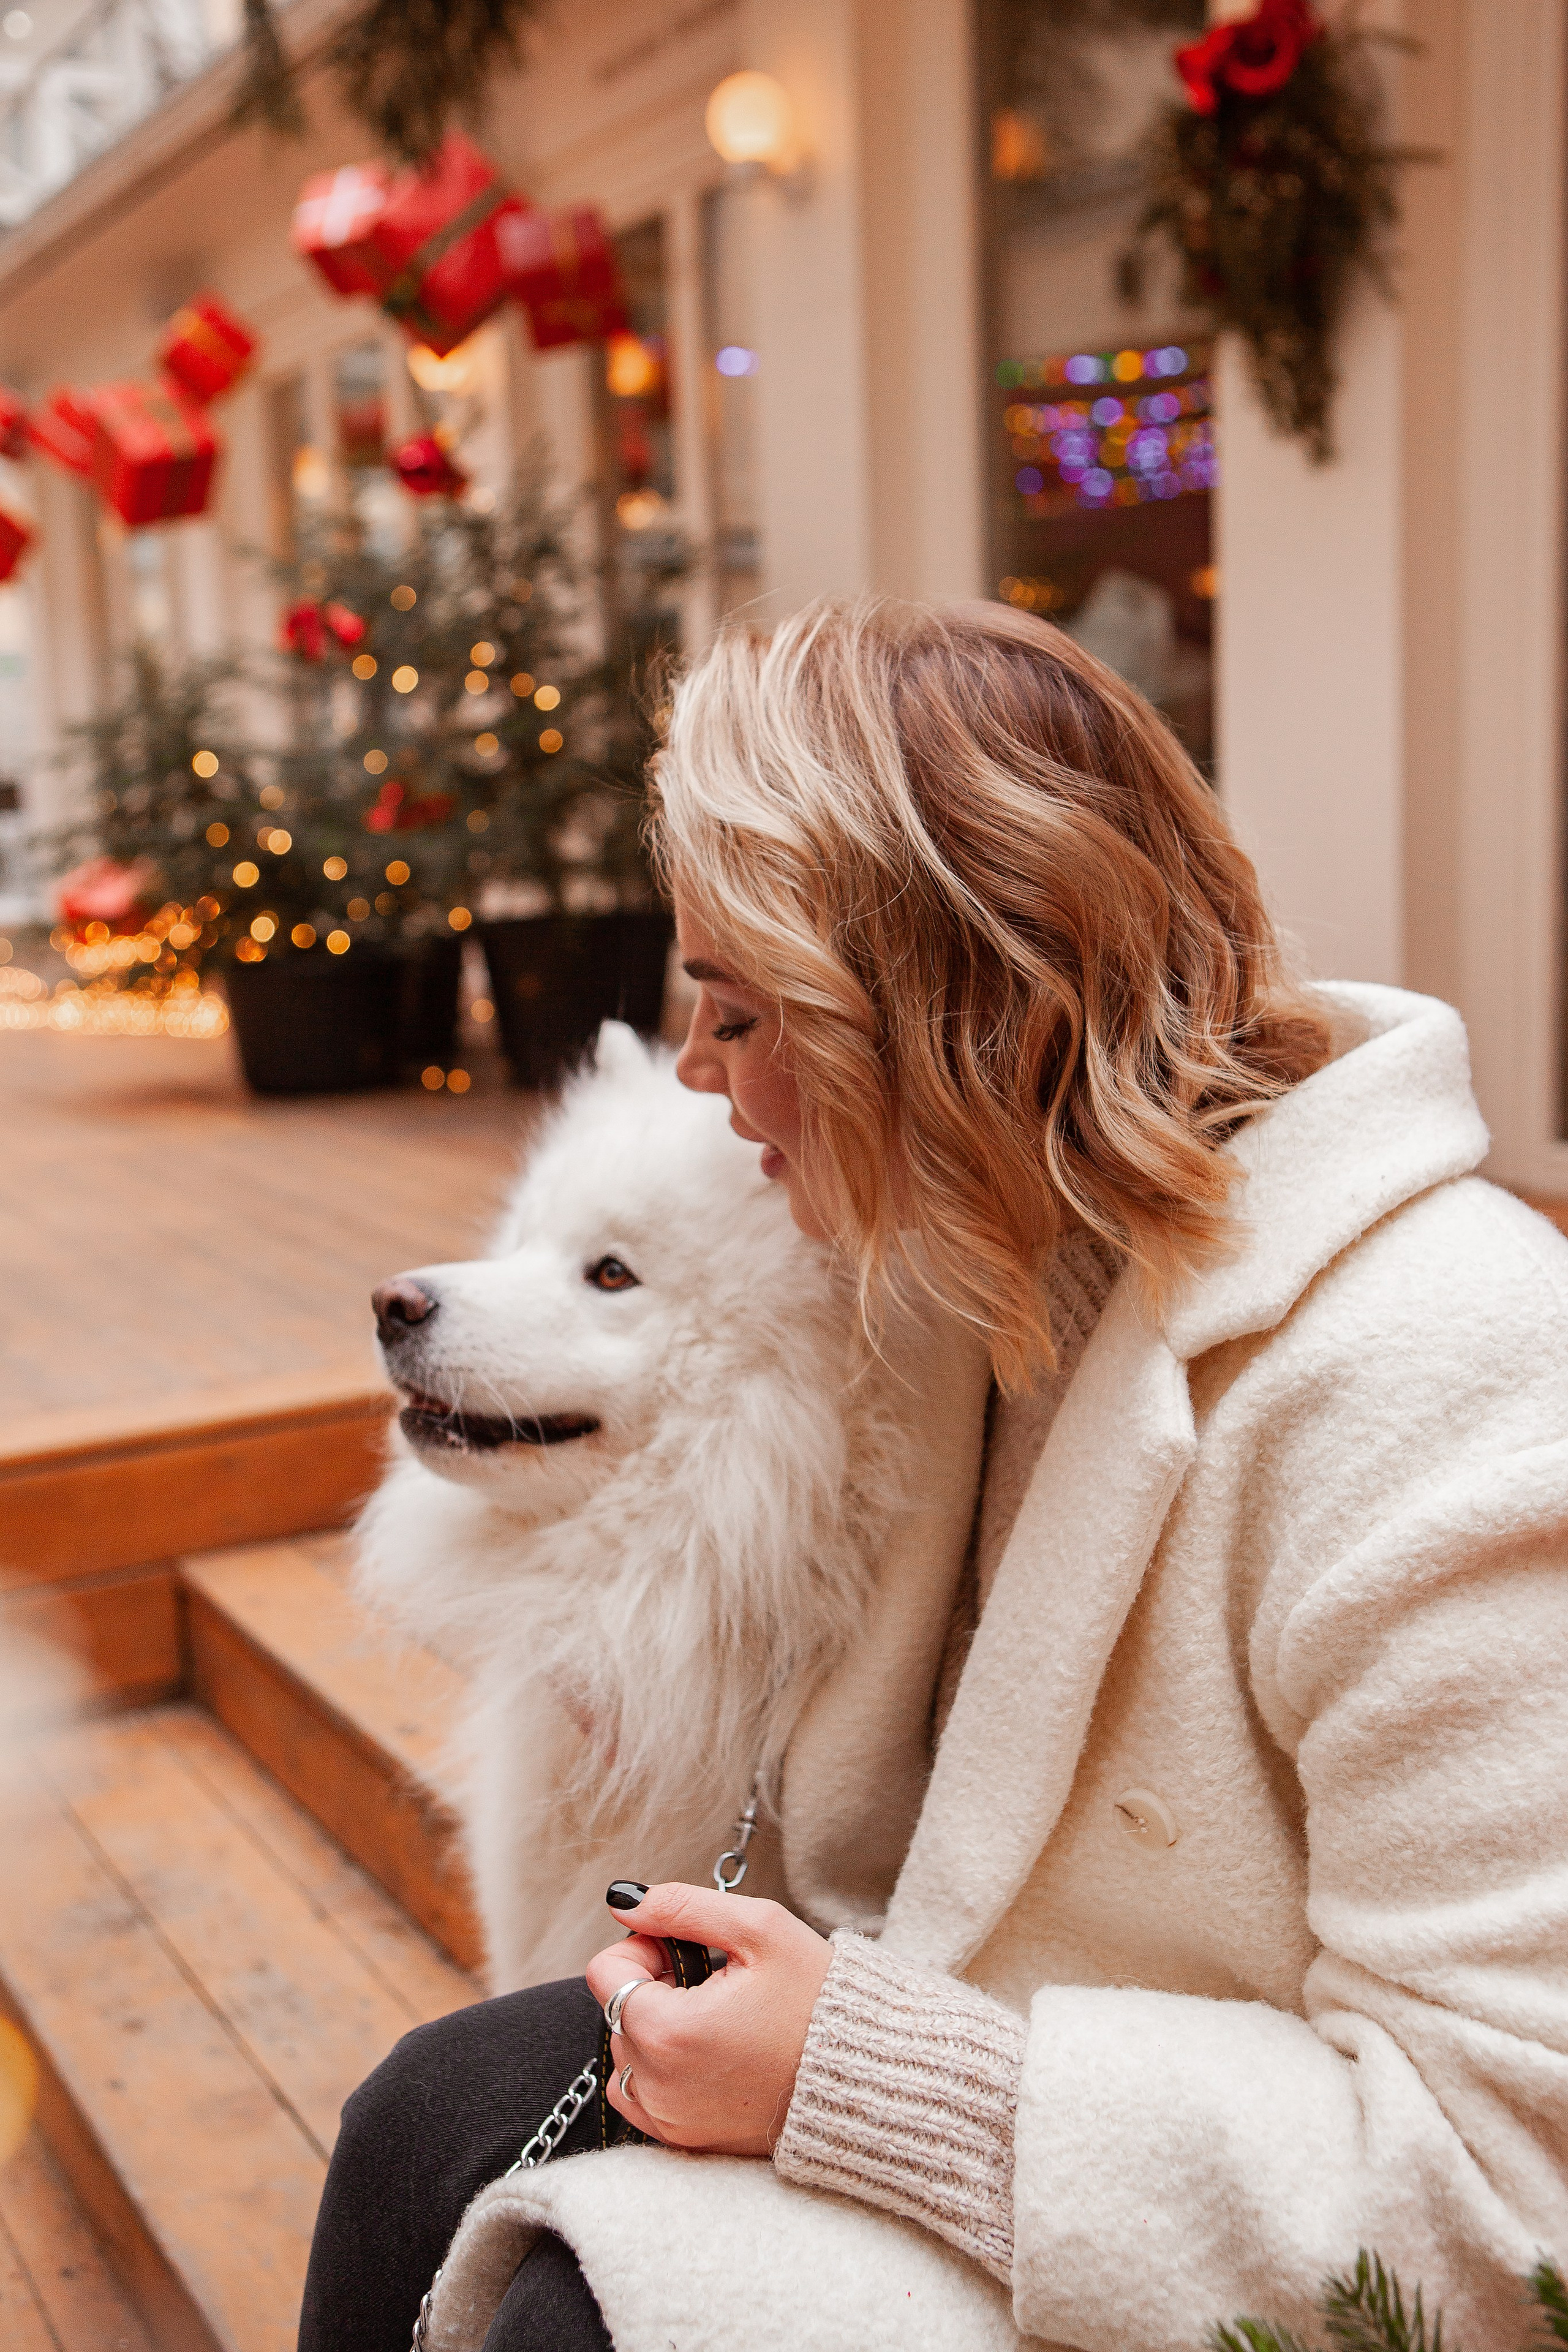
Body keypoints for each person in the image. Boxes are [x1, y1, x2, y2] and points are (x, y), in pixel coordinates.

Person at [299, 598, 1568, 2352]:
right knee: (416, 2124)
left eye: (741, 1015)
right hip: (1015, 2069)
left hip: (1183, 2215)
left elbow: (1515, 2204)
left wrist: (868, 2077)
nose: (698, 1073)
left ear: (947, 1012)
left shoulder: (1457, 1368)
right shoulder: (984, 1289)